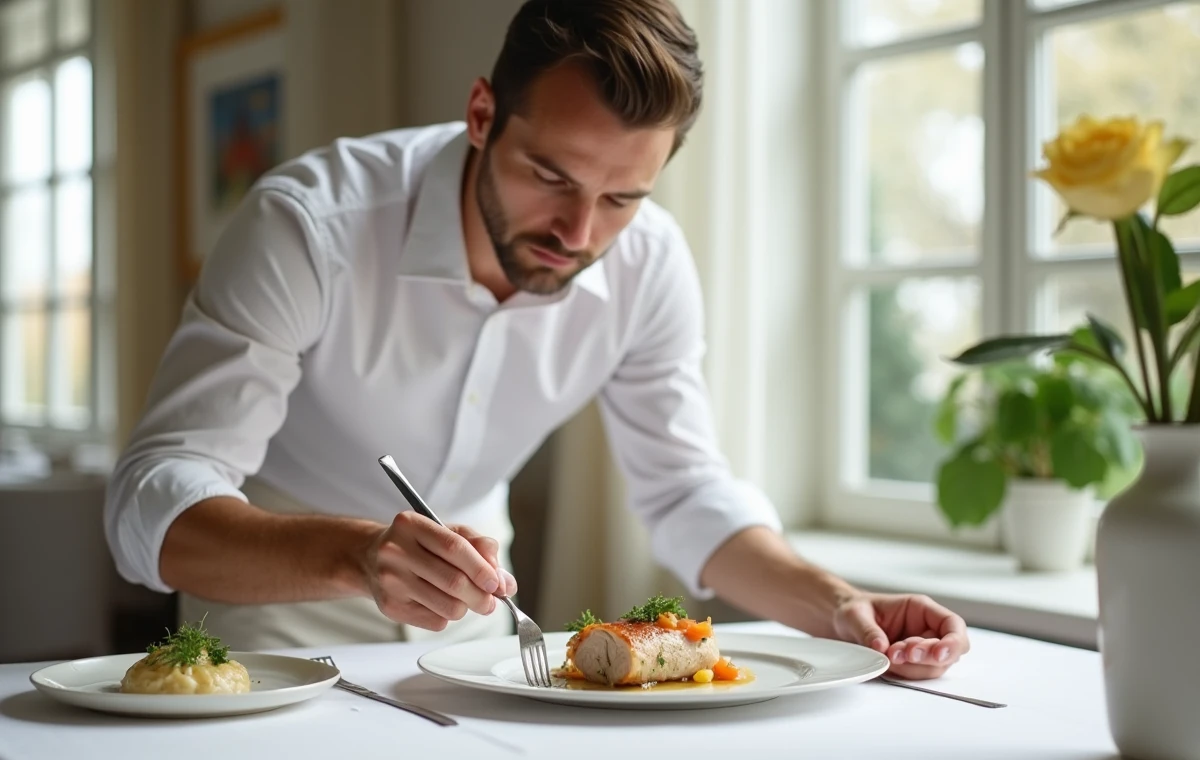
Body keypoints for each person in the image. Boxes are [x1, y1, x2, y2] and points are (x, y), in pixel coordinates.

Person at [105, 0, 968, 679]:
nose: (579, 231)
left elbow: (685, 494)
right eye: (550, 175)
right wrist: (359, 554)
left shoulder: (649, 265)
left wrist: (837, 601)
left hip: (483, 640)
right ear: (483, 112)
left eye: (623, 196)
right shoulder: (309, 225)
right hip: (276, 625)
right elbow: (152, 505)